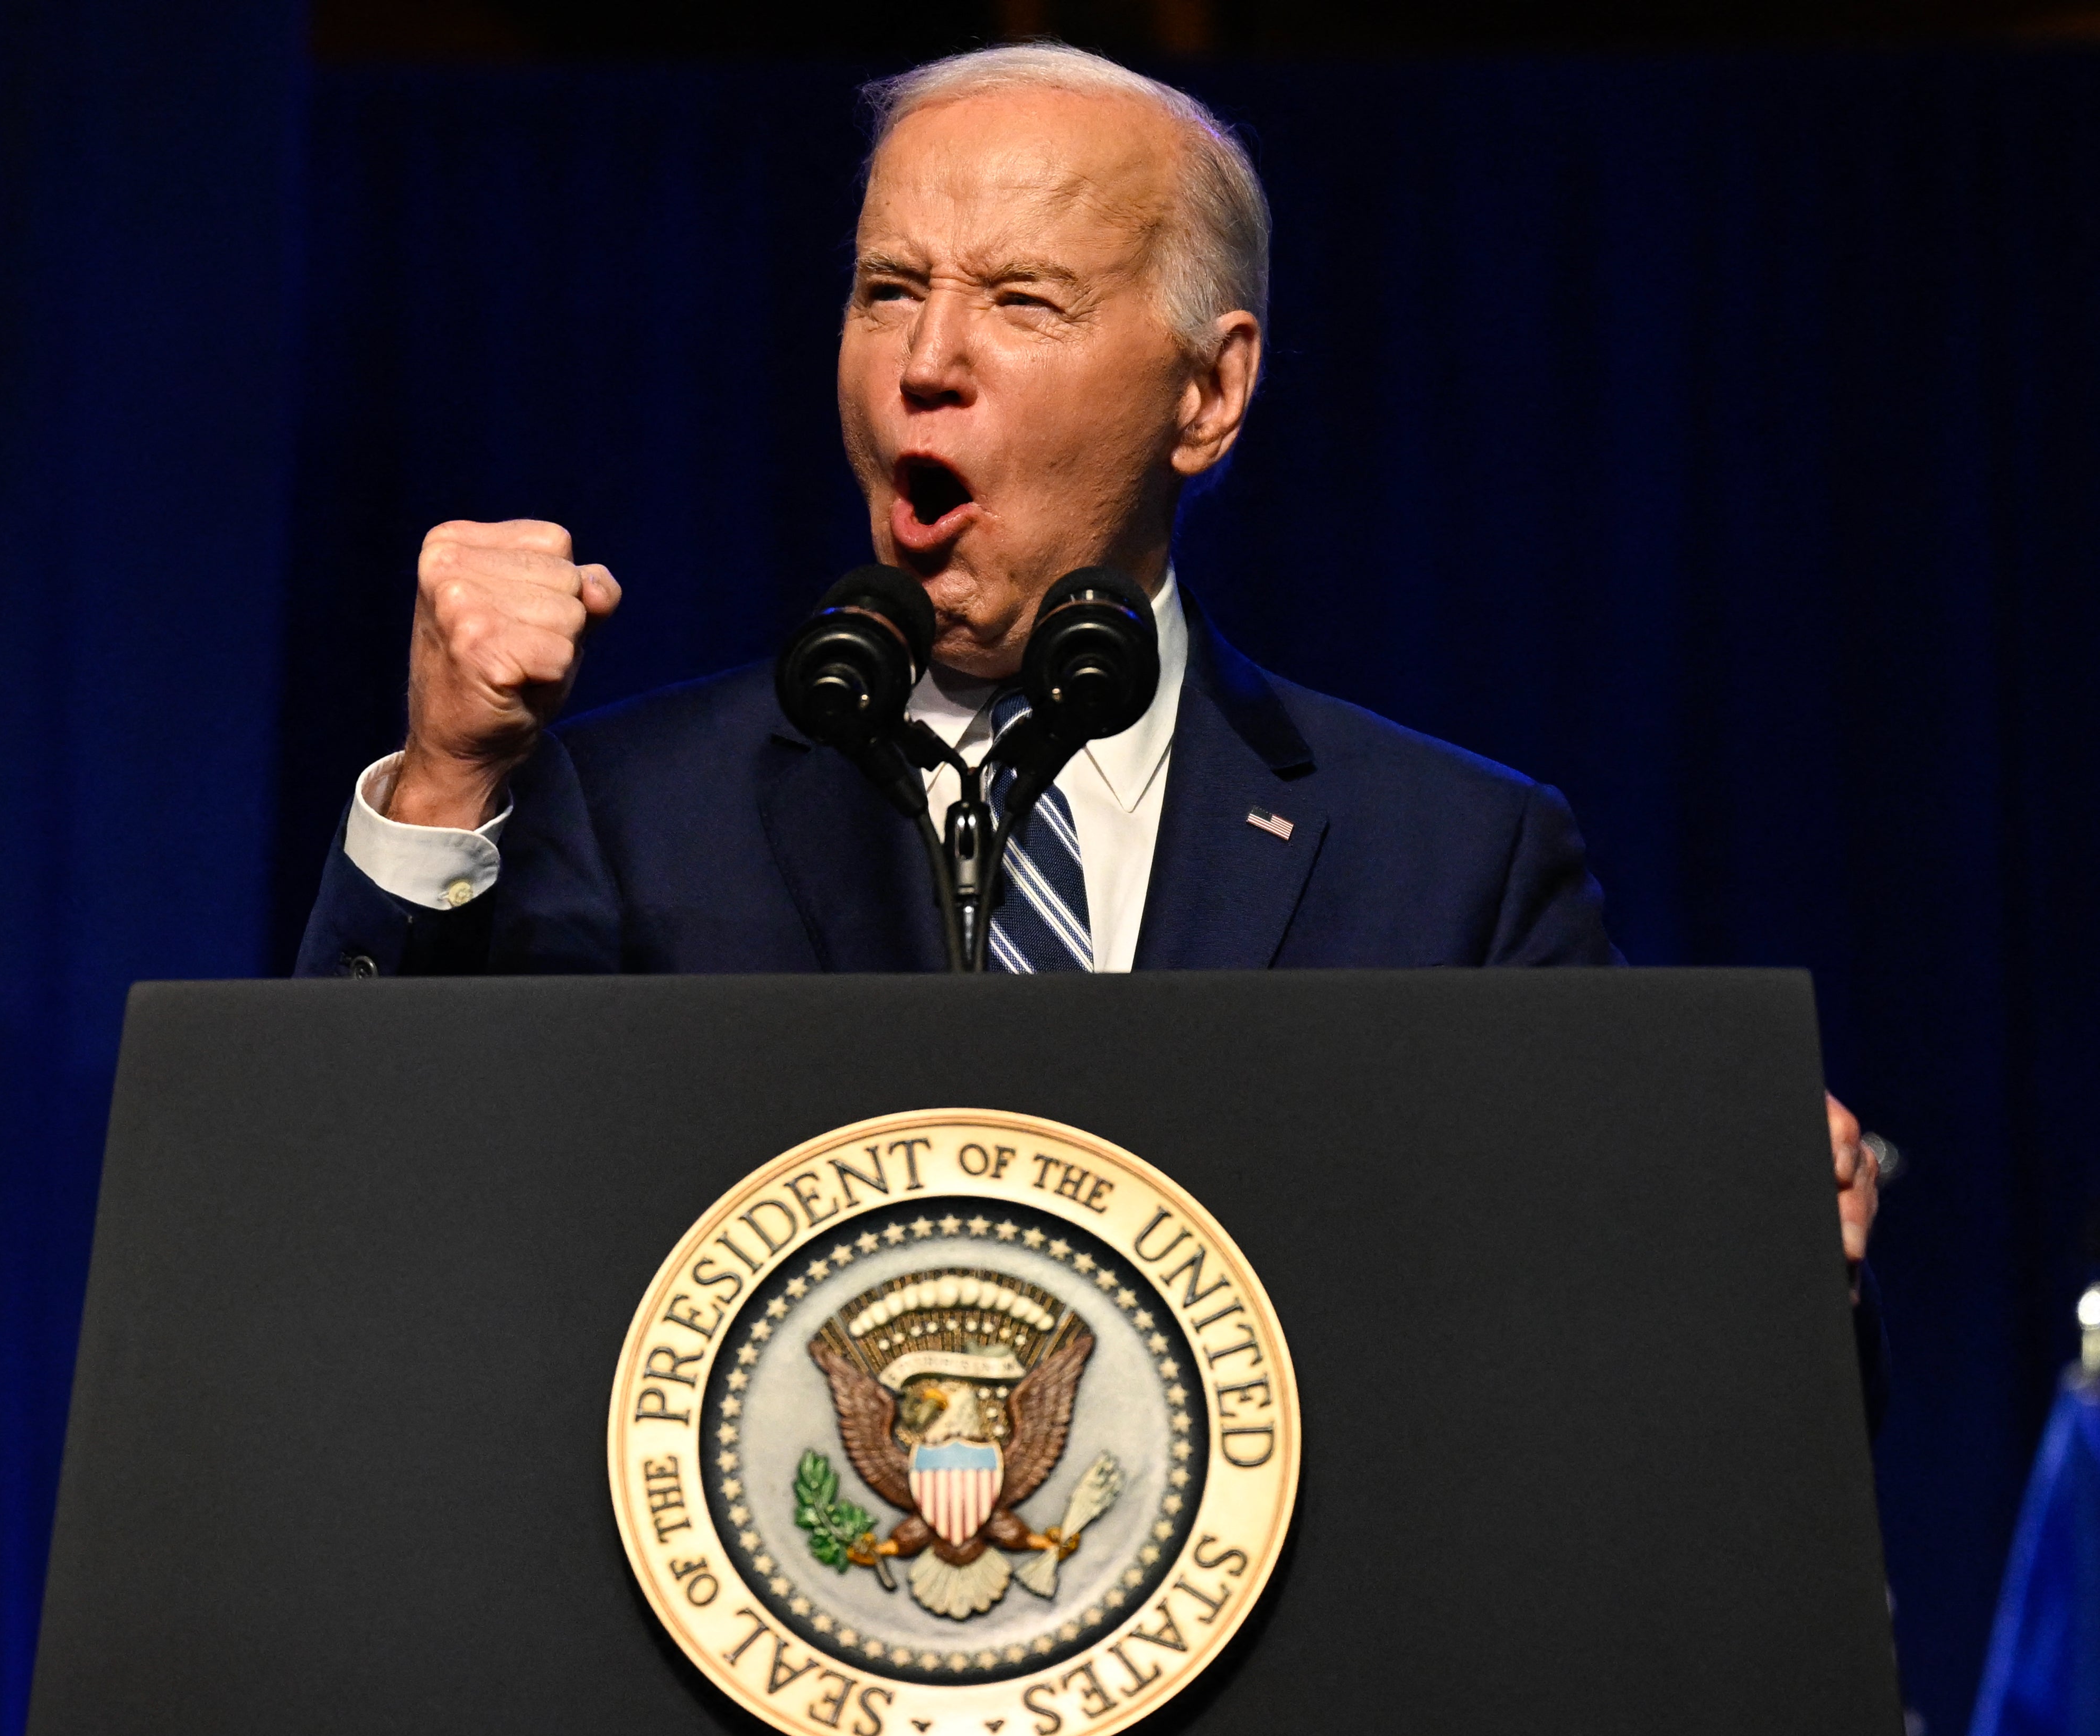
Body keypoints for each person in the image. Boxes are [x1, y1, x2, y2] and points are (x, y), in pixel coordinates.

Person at [293, 44, 1879, 1294]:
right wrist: (445, 784)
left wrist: (1764, 1253)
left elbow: (1639, 1376)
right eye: (889, 289)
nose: (927, 360)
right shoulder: (627, 817)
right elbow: (363, 1236)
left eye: (1020, 301)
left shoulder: (1446, 866)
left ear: (1208, 393)